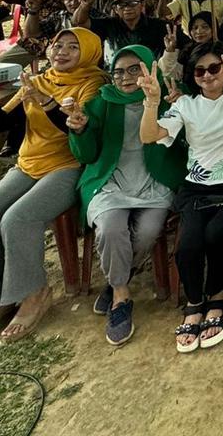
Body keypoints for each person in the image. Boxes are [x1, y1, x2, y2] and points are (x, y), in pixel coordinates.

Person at [0, 28, 108, 343]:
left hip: (69, 166)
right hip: (28, 164)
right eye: (58, 45)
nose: (61, 51)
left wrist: (49, 103)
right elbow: (2, 123)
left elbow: (78, 130)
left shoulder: (94, 84)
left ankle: (33, 293)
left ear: (90, 52)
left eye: (73, 47)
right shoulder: (38, 80)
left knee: (17, 219)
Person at [140, 43, 223, 353]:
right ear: (192, 75)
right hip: (198, 185)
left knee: (216, 235)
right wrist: (152, 102)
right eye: (199, 70)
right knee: (187, 246)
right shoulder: (186, 105)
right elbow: (150, 135)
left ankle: (219, 295)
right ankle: (195, 301)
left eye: (214, 68)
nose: (207, 75)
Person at [66, 45, 185, 345]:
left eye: (134, 69)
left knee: (148, 231)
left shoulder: (168, 96)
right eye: (118, 72)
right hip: (111, 181)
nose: (126, 77)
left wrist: (179, 107)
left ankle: (117, 276)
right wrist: (79, 131)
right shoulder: (101, 102)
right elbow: (87, 155)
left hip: (154, 181)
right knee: (110, 228)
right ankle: (120, 295)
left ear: (149, 67)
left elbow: (185, 142)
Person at [75, 0, 167, 60]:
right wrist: (85, 6)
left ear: (142, 5)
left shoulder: (159, 26)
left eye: (133, 3)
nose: (127, 8)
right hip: (117, 73)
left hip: (151, 73)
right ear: (115, 9)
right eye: (121, 5)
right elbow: (80, 22)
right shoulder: (108, 25)